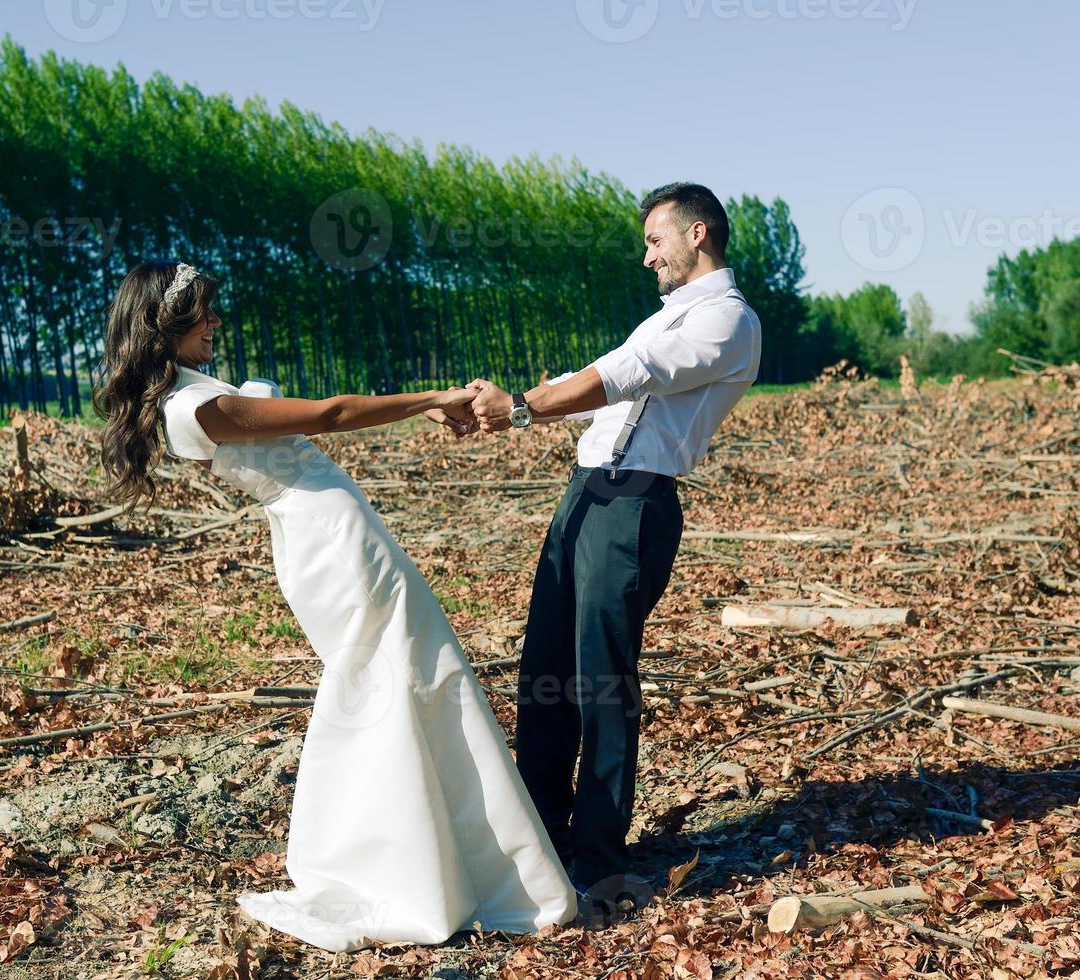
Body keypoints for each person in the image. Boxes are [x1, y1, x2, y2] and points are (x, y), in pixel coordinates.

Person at [92, 260, 576, 953]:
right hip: (331, 543)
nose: (214, 322)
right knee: (394, 680)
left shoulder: (194, 391)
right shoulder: (191, 408)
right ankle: (422, 865)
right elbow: (333, 413)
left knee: (404, 679)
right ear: (163, 323)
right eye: (202, 313)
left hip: (332, 533)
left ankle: (455, 858)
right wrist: (430, 397)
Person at [460, 182, 762, 911]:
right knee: (547, 665)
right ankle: (537, 834)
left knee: (600, 678)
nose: (645, 254)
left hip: (633, 503)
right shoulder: (666, 317)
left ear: (697, 235)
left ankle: (594, 859)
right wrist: (489, 403)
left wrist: (523, 410)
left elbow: (631, 375)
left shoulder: (727, 320)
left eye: (655, 240)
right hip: (586, 492)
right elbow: (595, 374)